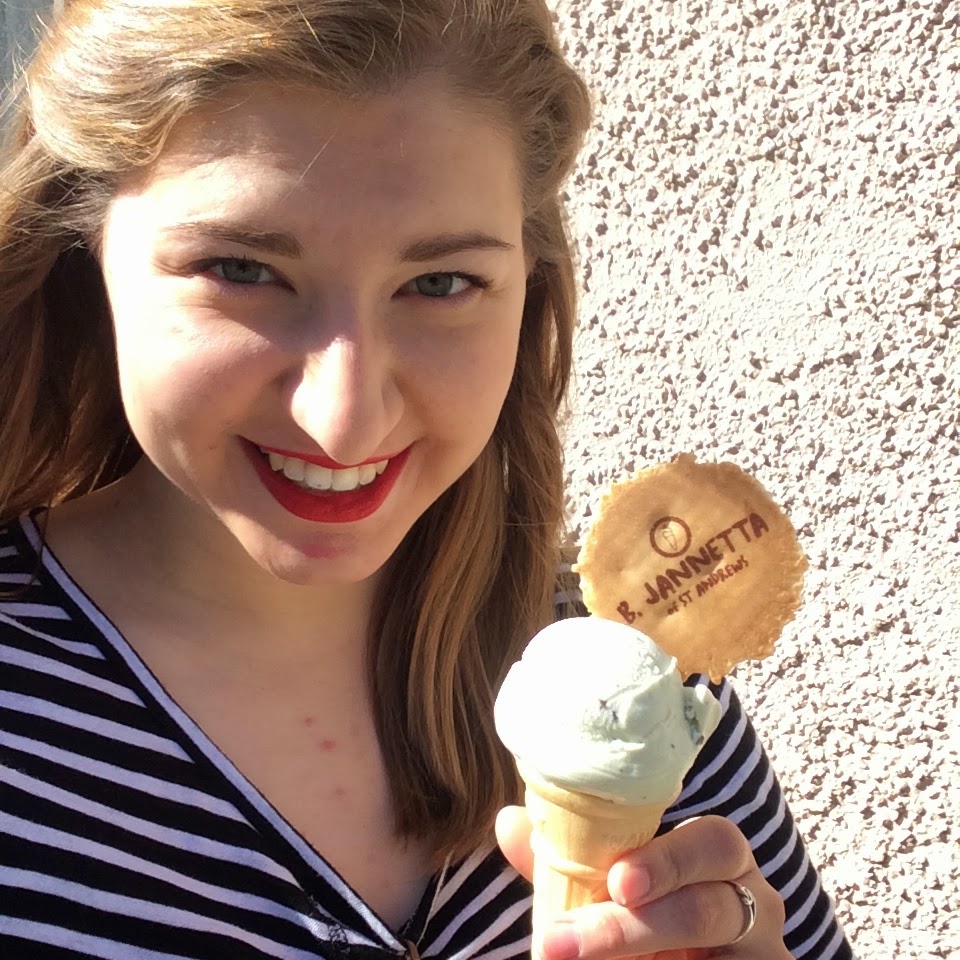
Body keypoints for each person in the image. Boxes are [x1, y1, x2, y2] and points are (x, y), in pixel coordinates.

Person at [0, 2, 853, 958]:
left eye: (440, 284)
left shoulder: (640, 686)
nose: (345, 418)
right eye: (242, 268)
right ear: (86, 250)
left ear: (526, 285)